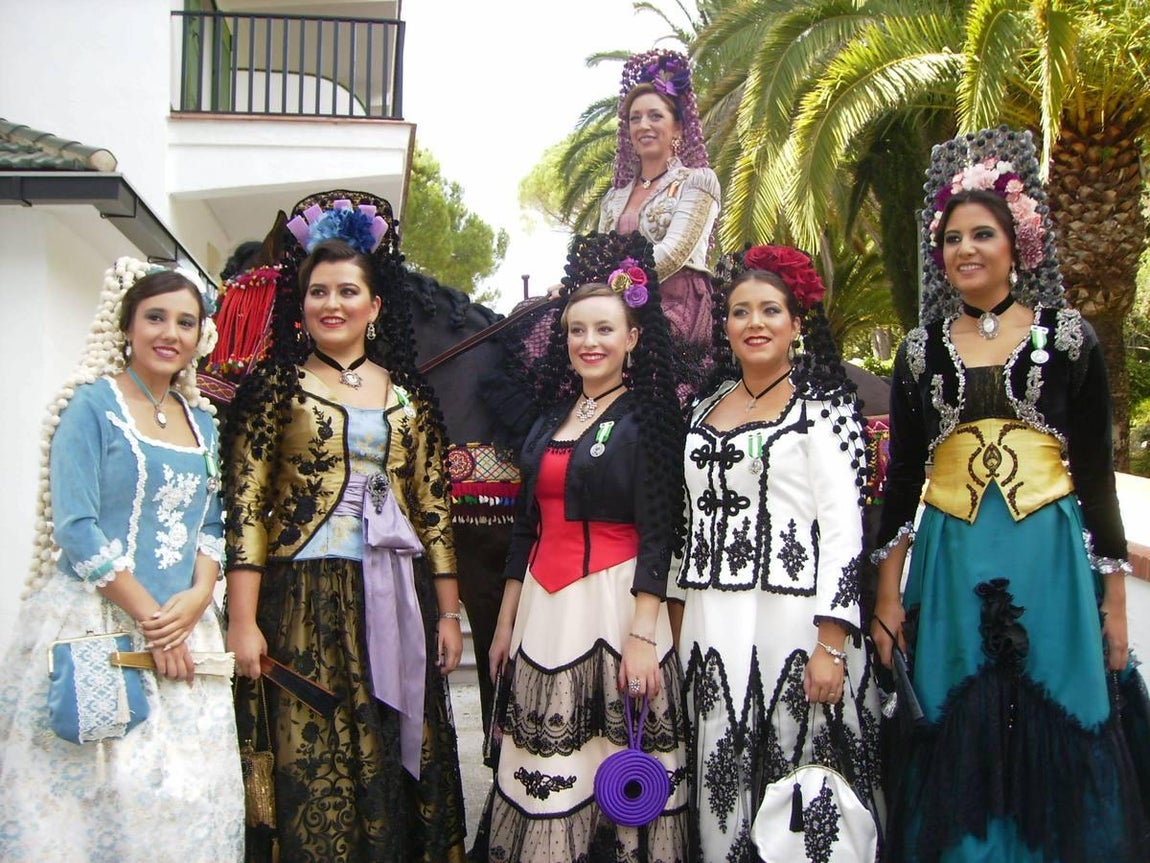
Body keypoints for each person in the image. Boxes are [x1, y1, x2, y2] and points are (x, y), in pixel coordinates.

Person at [871, 127, 1149, 862]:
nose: (966, 249)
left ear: (1017, 240)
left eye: (982, 234)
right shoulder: (918, 350)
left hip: (1049, 557)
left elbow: (1094, 476)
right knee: (958, 703)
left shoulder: (1069, 338)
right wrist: (888, 596)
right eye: (953, 238)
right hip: (953, 554)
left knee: (1055, 700)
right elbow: (901, 483)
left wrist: (1114, 603)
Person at [223, 193, 467, 863]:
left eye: (347, 290)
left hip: (396, 595)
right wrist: (242, 623)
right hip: (303, 596)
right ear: (300, 307)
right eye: (318, 291)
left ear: (374, 305)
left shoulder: (408, 399)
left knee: (392, 747)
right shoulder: (274, 390)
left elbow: (433, 508)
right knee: (315, 753)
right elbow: (244, 510)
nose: (332, 302)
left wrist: (448, 612)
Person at [0, 260, 244, 862]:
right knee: (101, 793)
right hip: (97, 623)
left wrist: (194, 600)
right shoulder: (90, 406)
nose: (170, 333)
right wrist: (153, 622)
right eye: (155, 317)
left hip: (188, 628)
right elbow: (77, 527)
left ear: (200, 336)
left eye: (186, 322)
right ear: (128, 326)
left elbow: (213, 523)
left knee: (188, 798)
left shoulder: (204, 422)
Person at [670, 244, 882, 861]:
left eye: (769, 311)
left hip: (797, 623)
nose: (754, 323)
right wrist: (675, 618)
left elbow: (844, 528)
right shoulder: (700, 408)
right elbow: (686, 521)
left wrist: (831, 643)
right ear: (726, 327)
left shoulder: (825, 408)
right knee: (718, 775)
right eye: (740, 312)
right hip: (711, 621)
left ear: (795, 324)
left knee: (803, 785)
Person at [484, 232, 689, 862]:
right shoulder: (549, 418)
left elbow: (660, 531)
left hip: (614, 604)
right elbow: (528, 529)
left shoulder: (650, 417)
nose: (589, 342)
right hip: (543, 612)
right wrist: (503, 624)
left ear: (632, 338)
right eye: (577, 331)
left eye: (604, 329)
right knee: (548, 768)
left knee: (618, 755)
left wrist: (644, 635)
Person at [598, 49, 720, 396]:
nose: (643, 126)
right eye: (635, 119)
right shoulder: (614, 197)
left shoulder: (698, 181)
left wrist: (609, 285)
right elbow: (595, 251)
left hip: (676, 302)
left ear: (678, 125)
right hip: (611, 302)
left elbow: (672, 252)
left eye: (655, 116)